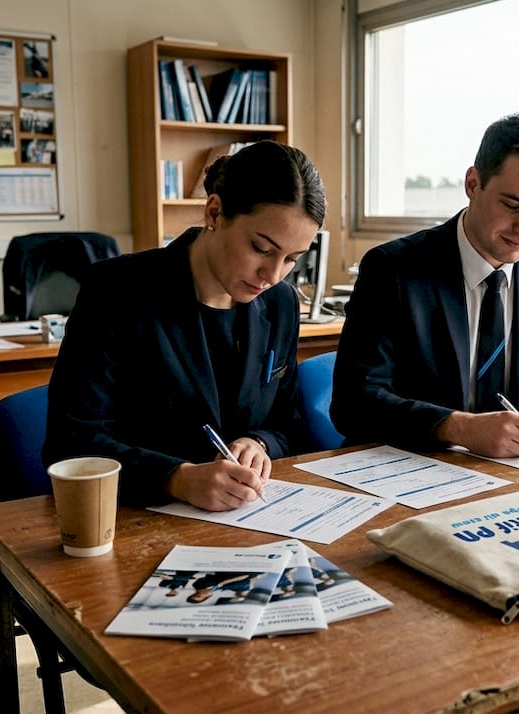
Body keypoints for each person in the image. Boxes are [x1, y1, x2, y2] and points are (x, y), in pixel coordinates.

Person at [331, 112, 519, 457]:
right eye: (512, 205)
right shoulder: (393, 269)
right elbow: (353, 402)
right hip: (415, 463)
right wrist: (459, 427)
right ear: (473, 184)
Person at [44, 140, 326, 511]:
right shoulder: (115, 291)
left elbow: (287, 424)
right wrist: (176, 478)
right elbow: (71, 441)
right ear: (215, 212)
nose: (272, 275)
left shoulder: (281, 302)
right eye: (261, 248)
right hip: (135, 516)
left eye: (291, 259)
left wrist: (258, 443)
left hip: (245, 517)